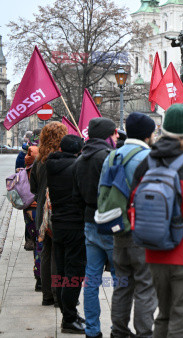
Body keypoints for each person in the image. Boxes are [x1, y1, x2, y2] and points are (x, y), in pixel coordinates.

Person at [131, 104, 183, 337]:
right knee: (182, 318)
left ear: (164, 128)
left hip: (155, 251)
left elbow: (132, 203)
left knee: (164, 315)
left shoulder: (146, 163)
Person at [101, 112, 158, 338]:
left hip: (117, 229)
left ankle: (119, 331)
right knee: (146, 285)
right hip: (143, 230)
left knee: (122, 284)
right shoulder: (149, 157)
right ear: (147, 134)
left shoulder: (112, 156)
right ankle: (145, 333)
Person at [72, 117, 119, 338]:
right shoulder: (109, 157)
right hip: (110, 223)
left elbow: (76, 196)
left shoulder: (80, 159)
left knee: (91, 281)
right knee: (121, 280)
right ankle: (118, 329)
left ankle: (92, 330)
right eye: (115, 133)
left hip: (90, 222)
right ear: (106, 135)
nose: (118, 136)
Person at [46, 134, 86, 334]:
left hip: (59, 224)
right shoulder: (77, 167)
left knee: (61, 272)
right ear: (78, 150)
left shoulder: (52, 165)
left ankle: (68, 313)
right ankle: (69, 319)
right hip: (74, 225)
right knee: (74, 273)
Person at [30, 122, 68, 306]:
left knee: (46, 250)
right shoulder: (63, 158)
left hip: (41, 211)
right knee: (57, 252)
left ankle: (47, 295)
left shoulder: (39, 159)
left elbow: (33, 188)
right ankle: (56, 293)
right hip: (58, 209)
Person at [24, 137, 41, 291]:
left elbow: (33, 189)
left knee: (38, 244)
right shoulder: (47, 162)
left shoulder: (30, 164)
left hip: (30, 210)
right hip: (45, 208)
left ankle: (39, 279)